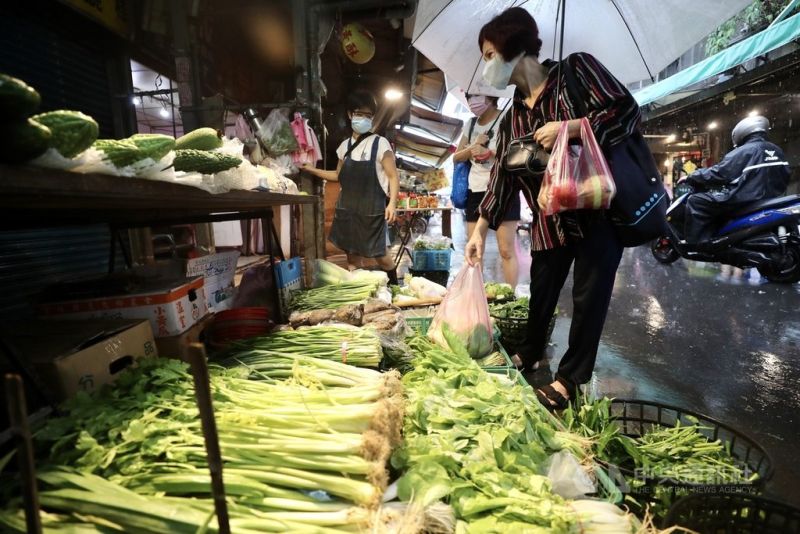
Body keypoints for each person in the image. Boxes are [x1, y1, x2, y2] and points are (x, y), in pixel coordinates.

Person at [464, 7, 641, 410]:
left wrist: (572, 127)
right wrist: (479, 229)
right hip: (548, 222)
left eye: (489, 54)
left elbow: (627, 111)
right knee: (541, 291)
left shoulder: (576, 72)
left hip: (596, 212)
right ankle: (530, 349)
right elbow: (502, 178)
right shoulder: (512, 117)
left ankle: (568, 380)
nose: (486, 65)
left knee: (587, 299)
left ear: (514, 47)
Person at [303, 90, 400, 283]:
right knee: (353, 257)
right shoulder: (344, 146)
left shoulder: (380, 143)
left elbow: (393, 176)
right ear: (350, 114)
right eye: (359, 114)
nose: (363, 118)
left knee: (382, 256)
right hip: (347, 210)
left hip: (371, 211)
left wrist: (392, 204)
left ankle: (394, 286)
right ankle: (361, 294)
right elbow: (337, 175)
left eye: (368, 115)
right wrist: (311, 170)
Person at [682, 115, 791, 246]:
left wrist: (692, 176)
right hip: (771, 198)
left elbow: (719, 173)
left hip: (743, 199)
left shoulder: (744, 151)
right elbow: (786, 174)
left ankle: (698, 244)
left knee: (696, 201)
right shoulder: (777, 150)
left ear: (742, 132)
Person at [452, 93, 519, 286]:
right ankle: (476, 297)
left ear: (490, 96)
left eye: (477, 95)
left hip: (504, 188)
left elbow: (516, 154)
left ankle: (510, 299)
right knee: (473, 248)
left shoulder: (508, 117)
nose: (472, 100)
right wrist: (475, 145)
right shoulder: (470, 124)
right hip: (475, 190)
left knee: (506, 250)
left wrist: (490, 152)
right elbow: (456, 157)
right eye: (469, 96)